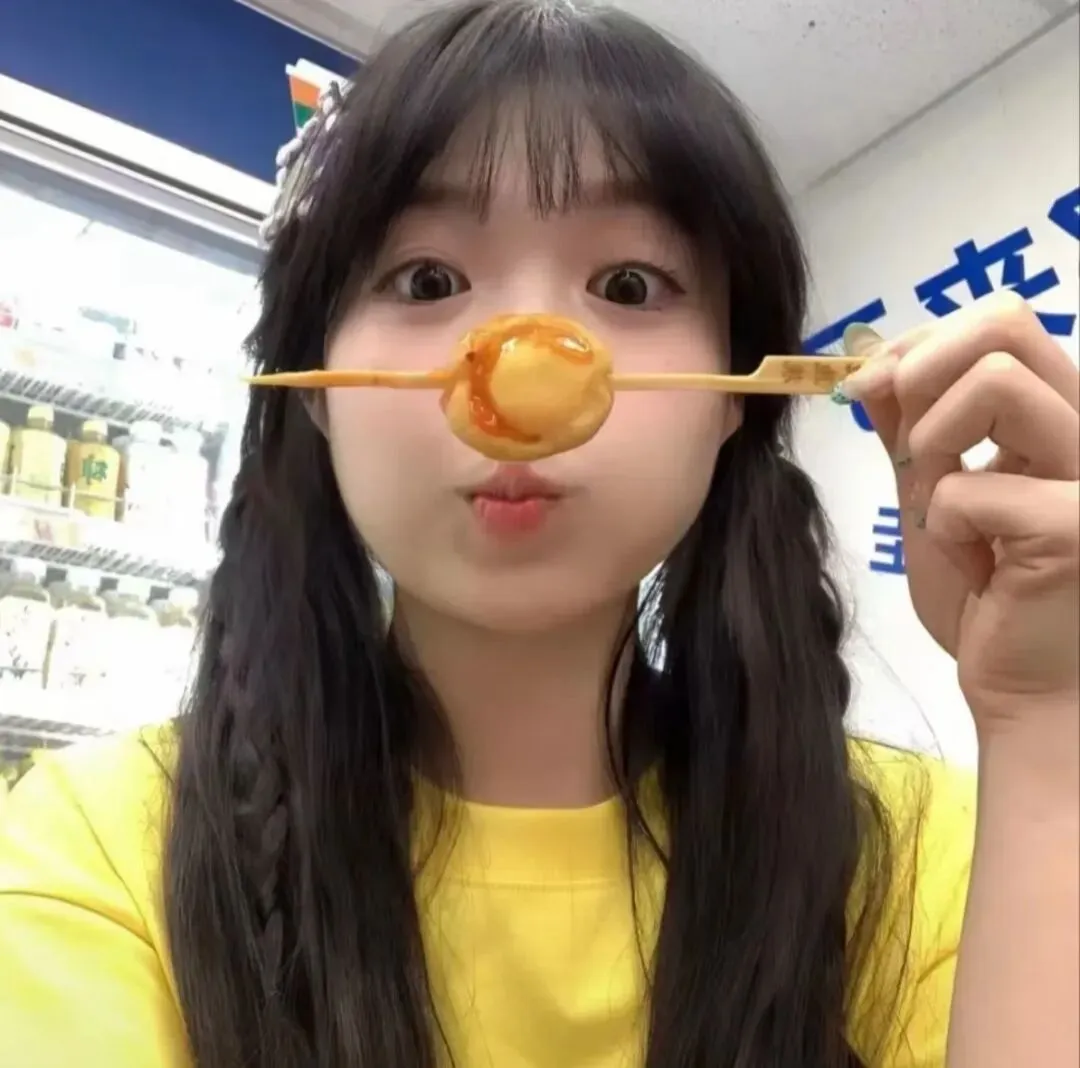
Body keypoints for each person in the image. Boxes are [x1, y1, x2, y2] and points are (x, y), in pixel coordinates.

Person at [1, 2, 1076, 1066]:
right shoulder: (97, 851)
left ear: (734, 397)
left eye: (627, 285)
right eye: (427, 280)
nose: (518, 376)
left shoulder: (938, 860)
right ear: (315, 387)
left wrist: (1047, 717)